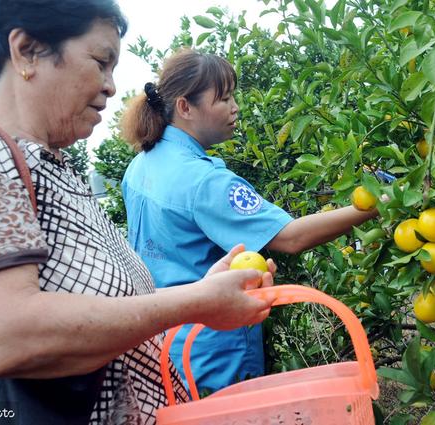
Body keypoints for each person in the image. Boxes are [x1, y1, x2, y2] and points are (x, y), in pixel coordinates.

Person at [0, 2, 276, 424]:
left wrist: (200, 295)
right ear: (27, 51)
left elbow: (100, 309)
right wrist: (191, 302)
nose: (111, 86)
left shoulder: (51, 166)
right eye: (101, 61)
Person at [120, 49, 385, 394]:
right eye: (224, 98)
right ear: (185, 107)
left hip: (167, 343)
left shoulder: (140, 165)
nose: (235, 108)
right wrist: (377, 204)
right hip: (215, 350)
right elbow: (290, 238)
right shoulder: (205, 181)